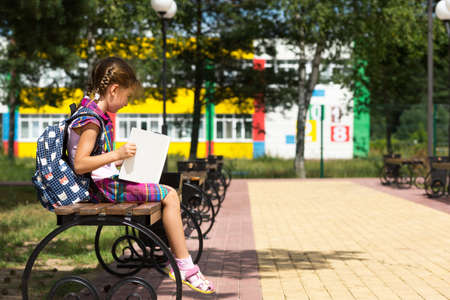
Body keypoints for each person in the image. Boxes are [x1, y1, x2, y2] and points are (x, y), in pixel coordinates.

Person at [67, 56, 215, 294]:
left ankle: (177, 258)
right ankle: (184, 265)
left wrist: (122, 159)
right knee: (169, 195)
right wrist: (117, 154)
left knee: (162, 188)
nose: (127, 102)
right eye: (127, 96)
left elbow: (94, 160)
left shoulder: (91, 112)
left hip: (106, 182)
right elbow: (81, 164)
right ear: (114, 90)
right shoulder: (91, 120)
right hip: (105, 188)